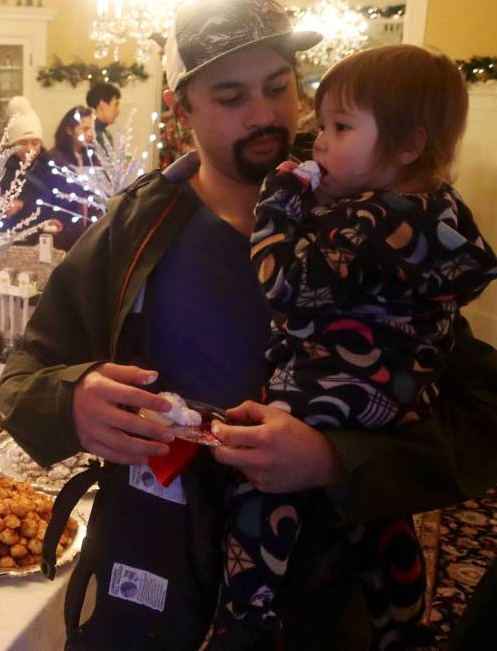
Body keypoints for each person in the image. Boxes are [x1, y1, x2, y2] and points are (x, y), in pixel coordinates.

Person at [0, 0, 497, 651]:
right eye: (231, 97)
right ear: (182, 109)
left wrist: (331, 459)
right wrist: (74, 401)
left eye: (278, 86)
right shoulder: (138, 227)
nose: (265, 114)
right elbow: (25, 375)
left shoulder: (377, 228)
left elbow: (481, 411)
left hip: (317, 592)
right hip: (155, 568)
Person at [213, 45, 497, 650]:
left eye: (340, 128)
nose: (317, 141)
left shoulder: (360, 220)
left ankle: (247, 609)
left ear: (405, 146)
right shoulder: (443, 210)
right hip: (409, 386)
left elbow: (283, 282)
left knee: (259, 475)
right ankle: (398, 616)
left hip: (341, 382)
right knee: (376, 514)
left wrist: (280, 200)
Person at [0, 96, 62, 244]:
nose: (30, 149)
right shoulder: (1, 169)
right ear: (12, 144)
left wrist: (56, 219)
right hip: (11, 239)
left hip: (44, 237)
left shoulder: (50, 166)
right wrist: (3, 208)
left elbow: (59, 200)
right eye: (22, 143)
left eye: (35, 143)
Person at [49, 105, 98, 250]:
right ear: (69, 129)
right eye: (85, 129)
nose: (90, 134)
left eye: (92, 129)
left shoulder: (92, 158)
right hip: (63, 235)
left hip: (88, 235)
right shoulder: (56, 159)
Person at [86, 82, 121, 148]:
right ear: (103, 105)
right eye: (116, 105)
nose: (118, 111)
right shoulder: (90, 135)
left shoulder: (105, 134)